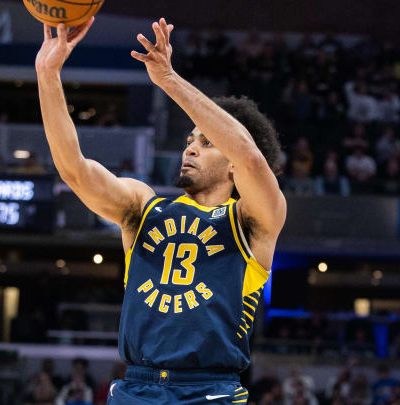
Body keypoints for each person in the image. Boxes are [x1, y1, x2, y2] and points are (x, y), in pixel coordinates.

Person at [36, 16, 285, 405]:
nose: (190, 148)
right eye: (189, 140)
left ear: (232, 163)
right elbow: (75, 169)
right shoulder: (143, 207)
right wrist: (47, 74)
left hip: (211, 390)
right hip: (135, 386)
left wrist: (169, 80)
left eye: (206, 143)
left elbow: (250, 157)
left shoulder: (252, 222)